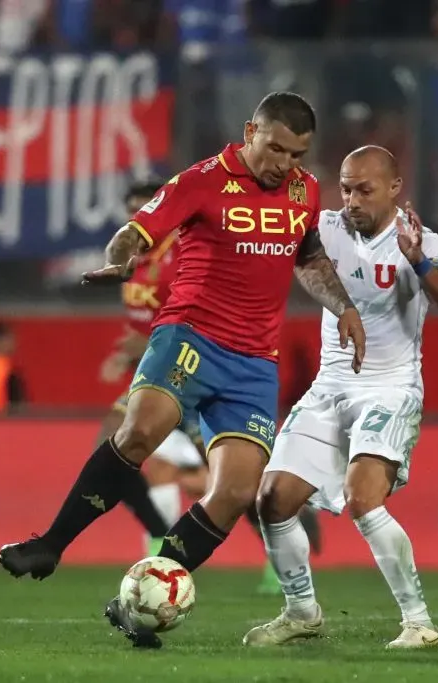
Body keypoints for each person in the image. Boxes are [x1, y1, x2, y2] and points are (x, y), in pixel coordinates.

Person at [0, 91, 365, 648]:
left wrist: (346, 308)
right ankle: (51, 543)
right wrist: (121, 261)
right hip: (190, 337)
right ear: (250, 132)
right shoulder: (200, 181)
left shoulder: (303, 191)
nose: (284, 164)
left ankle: (143, 597)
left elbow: (308, 258)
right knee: (141, 430)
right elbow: (136, 232)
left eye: (296, 154)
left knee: (237, 490)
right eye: (275, 149)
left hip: (253, 365)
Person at [243, 146, 438, 650]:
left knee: (364, 500)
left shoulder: (421, 240)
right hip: (330, 387)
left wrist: (419, 260)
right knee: (273, 500)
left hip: (391, 387)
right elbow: (284, 249)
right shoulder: (327, 229)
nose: (352, 199)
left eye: (364, 189)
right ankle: (301, 612)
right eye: (345, 187)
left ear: (393, 187)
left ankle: (419, 622)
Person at [98, 178, 322, 594]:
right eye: (133, 208)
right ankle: (155, 535)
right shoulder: (139, 262)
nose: (140, 216)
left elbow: (204, 318)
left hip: (203, 374)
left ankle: (282, 550)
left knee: (237, 485)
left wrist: (145, 343)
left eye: (146, 206)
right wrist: (129, 352)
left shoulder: (185, 252)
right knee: (111, 448)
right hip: (160, 375)